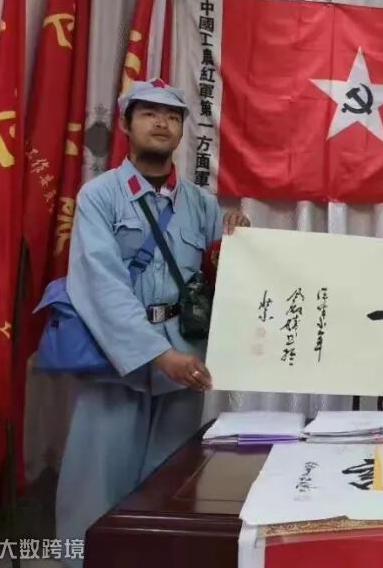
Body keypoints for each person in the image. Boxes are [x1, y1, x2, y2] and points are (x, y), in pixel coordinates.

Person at [55, 79, 250, 561]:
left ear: (182, 129)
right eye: (148, 113)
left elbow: (218, 277)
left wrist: (240, 242)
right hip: (117, 360)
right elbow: (100, 285)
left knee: (170, 486)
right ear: (126, 124)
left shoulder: (201, 203)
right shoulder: (100, 196)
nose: (162, 123)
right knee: (97, 486)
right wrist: (158, 354)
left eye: (172, 116)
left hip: (185, 361)